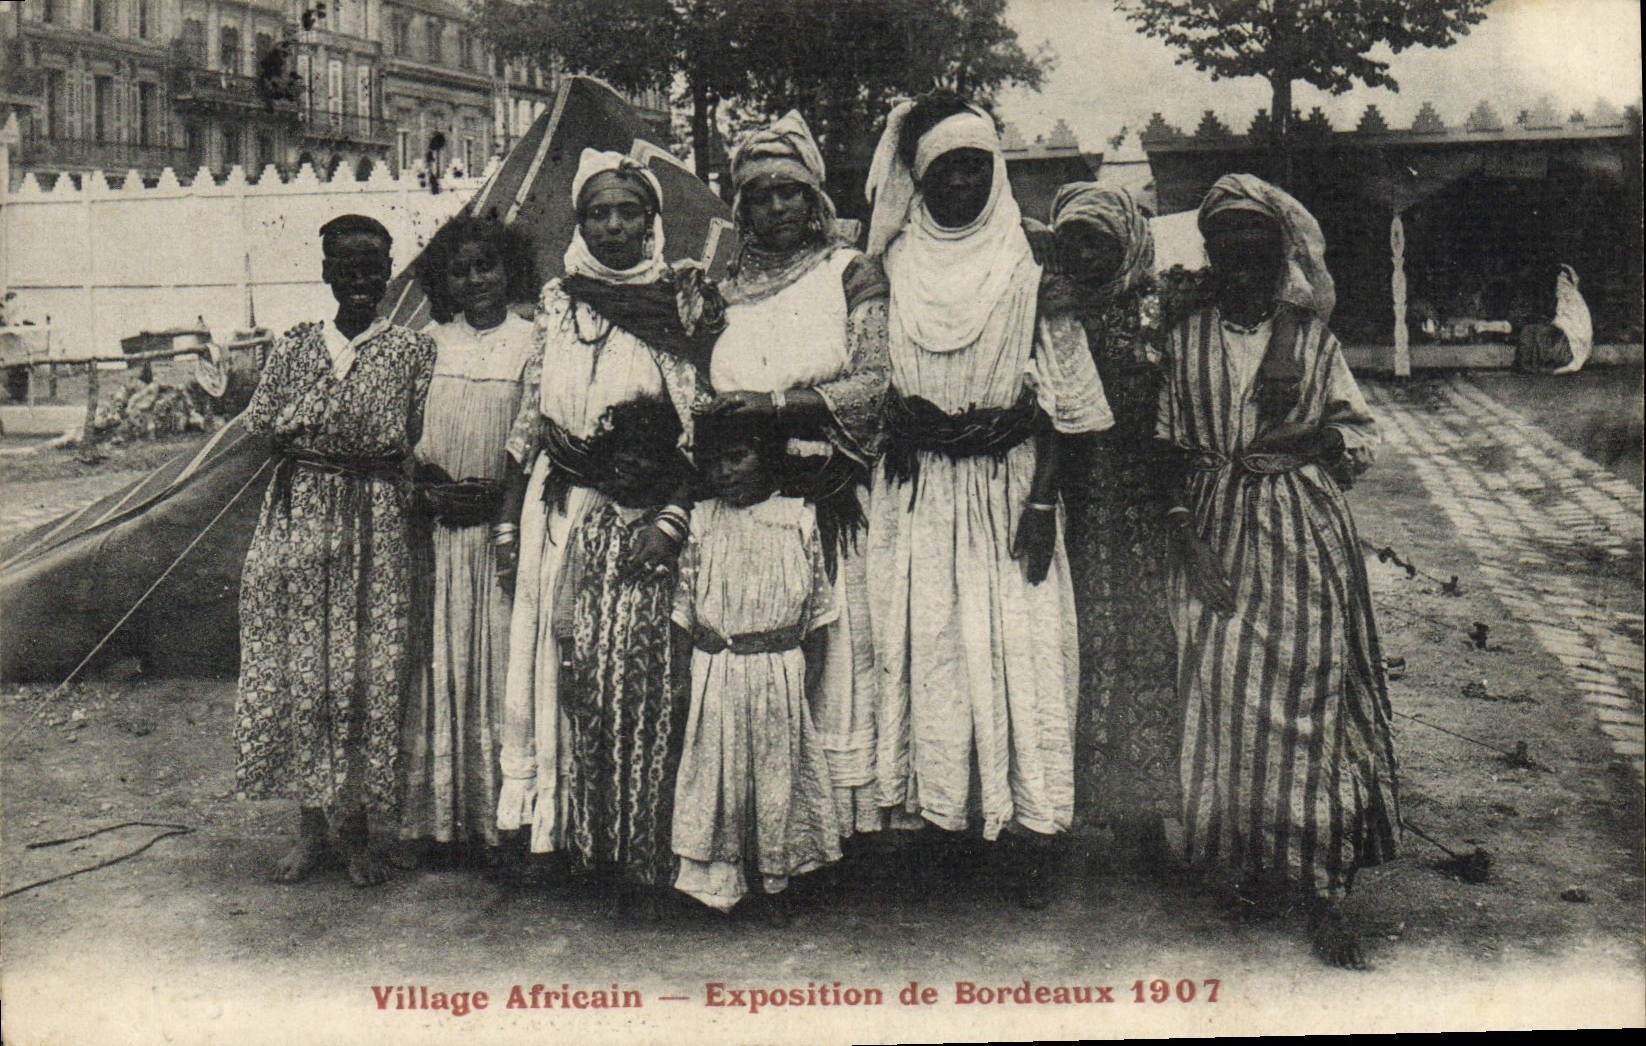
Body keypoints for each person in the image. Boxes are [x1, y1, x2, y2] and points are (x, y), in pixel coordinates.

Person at [862, 94, 1113, 908]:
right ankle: (944, 827)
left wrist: (1041, 503)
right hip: (922, 491)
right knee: (932, 651)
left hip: (1008, 491)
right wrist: (909, 424)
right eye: (946, 169)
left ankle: (1032, 834)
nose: (962, 183)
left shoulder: (1029, 268)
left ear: (996, 172)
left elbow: (1068, 403)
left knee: (1019, 655)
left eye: (977, 167)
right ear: (921, 177)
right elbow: (871, 377)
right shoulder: (892, 265)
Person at [1157, 173, 1398, 969]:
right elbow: (1167, 450)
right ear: (1209, 255)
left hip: (1300, 534)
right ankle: (1250, 868)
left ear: (1279, 254)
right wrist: (1190, 544)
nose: (1242, 265)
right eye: (1226, 249)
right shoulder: (1184, 341)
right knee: (1222, 697)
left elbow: (1356, 436)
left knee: (1308, 702)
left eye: (1257, 250)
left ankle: (1324, 890)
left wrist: (1305, 440)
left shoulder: (1313, 342)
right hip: (1213, 532)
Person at [496, 150, 722, 910]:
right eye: (599, 213)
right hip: (558, 510)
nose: (615, 226)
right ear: (579, 223)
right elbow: (532, 414)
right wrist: (508, 521)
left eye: (630, 211)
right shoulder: (558, 300)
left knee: (631, 684)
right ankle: (553, 834)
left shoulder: (679, 305)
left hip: (640, 520)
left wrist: (672, 518)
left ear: (653, 221)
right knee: (555, 673)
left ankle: (636, 845)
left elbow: (701, 432)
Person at [235, 214, 437, 887]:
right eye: (346, 267)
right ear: (326, 272)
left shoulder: (411, 352)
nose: (360, 279)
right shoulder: (295, 345)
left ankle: (356, 832)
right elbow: (263, 425)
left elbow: (413, 433)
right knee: (304, 666)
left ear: (388, 273)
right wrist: (313, 438)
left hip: (374, 520)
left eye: (372, 267)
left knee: (361, 669)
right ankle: (308, 829)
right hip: (301, 517)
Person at [707, 111, 892, 842]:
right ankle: (766, 827)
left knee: (832, 657)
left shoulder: (850, 271)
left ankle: (837, 828)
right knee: (757, 663)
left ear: (814, 195)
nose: (778, 206)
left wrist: (778, 405)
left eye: (790, 191)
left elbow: (875, 382)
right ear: (742, 207)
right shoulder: (721, 290)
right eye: (762, 195)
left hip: (825, 490)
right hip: (742, 505)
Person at [397, 215, 539, 870]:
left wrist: (501, 501)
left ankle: (497, 826)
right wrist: (426, 489)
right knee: (439, 663)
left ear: (509, 269)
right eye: (460, 270)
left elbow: (534, 435)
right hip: (439, 532)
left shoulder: (533, 341)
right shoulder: (426, 345)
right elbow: (401, 436)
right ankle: (436, 823)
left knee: (499, 666)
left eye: (487, 265)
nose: (476, 279)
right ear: (443, 280)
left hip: (499, 528)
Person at [1044, 183, 1179, 870]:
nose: (1084, 255)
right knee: (1066, 649)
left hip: (1143, 506)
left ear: (1127, 242)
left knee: (1146, 650)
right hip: (1065, 502)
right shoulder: (1050, 308)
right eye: (1070, 240)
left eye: (1098, 240)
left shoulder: (1164, 306)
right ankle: (1057, 812)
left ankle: (1142, 814)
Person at [669, 412, 842, 924]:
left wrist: (805, 680)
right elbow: (683, 607)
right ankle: (718, 883)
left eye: (737, 458)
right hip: (716, 670)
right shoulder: (702, 519)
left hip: (777, 671)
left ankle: (776, 880)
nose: (724, 472)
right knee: (717, 776)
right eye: (714, 463)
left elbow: (819, 613)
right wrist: (682, 676)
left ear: (767, 459)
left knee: (775, 776)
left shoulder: (798, 518)